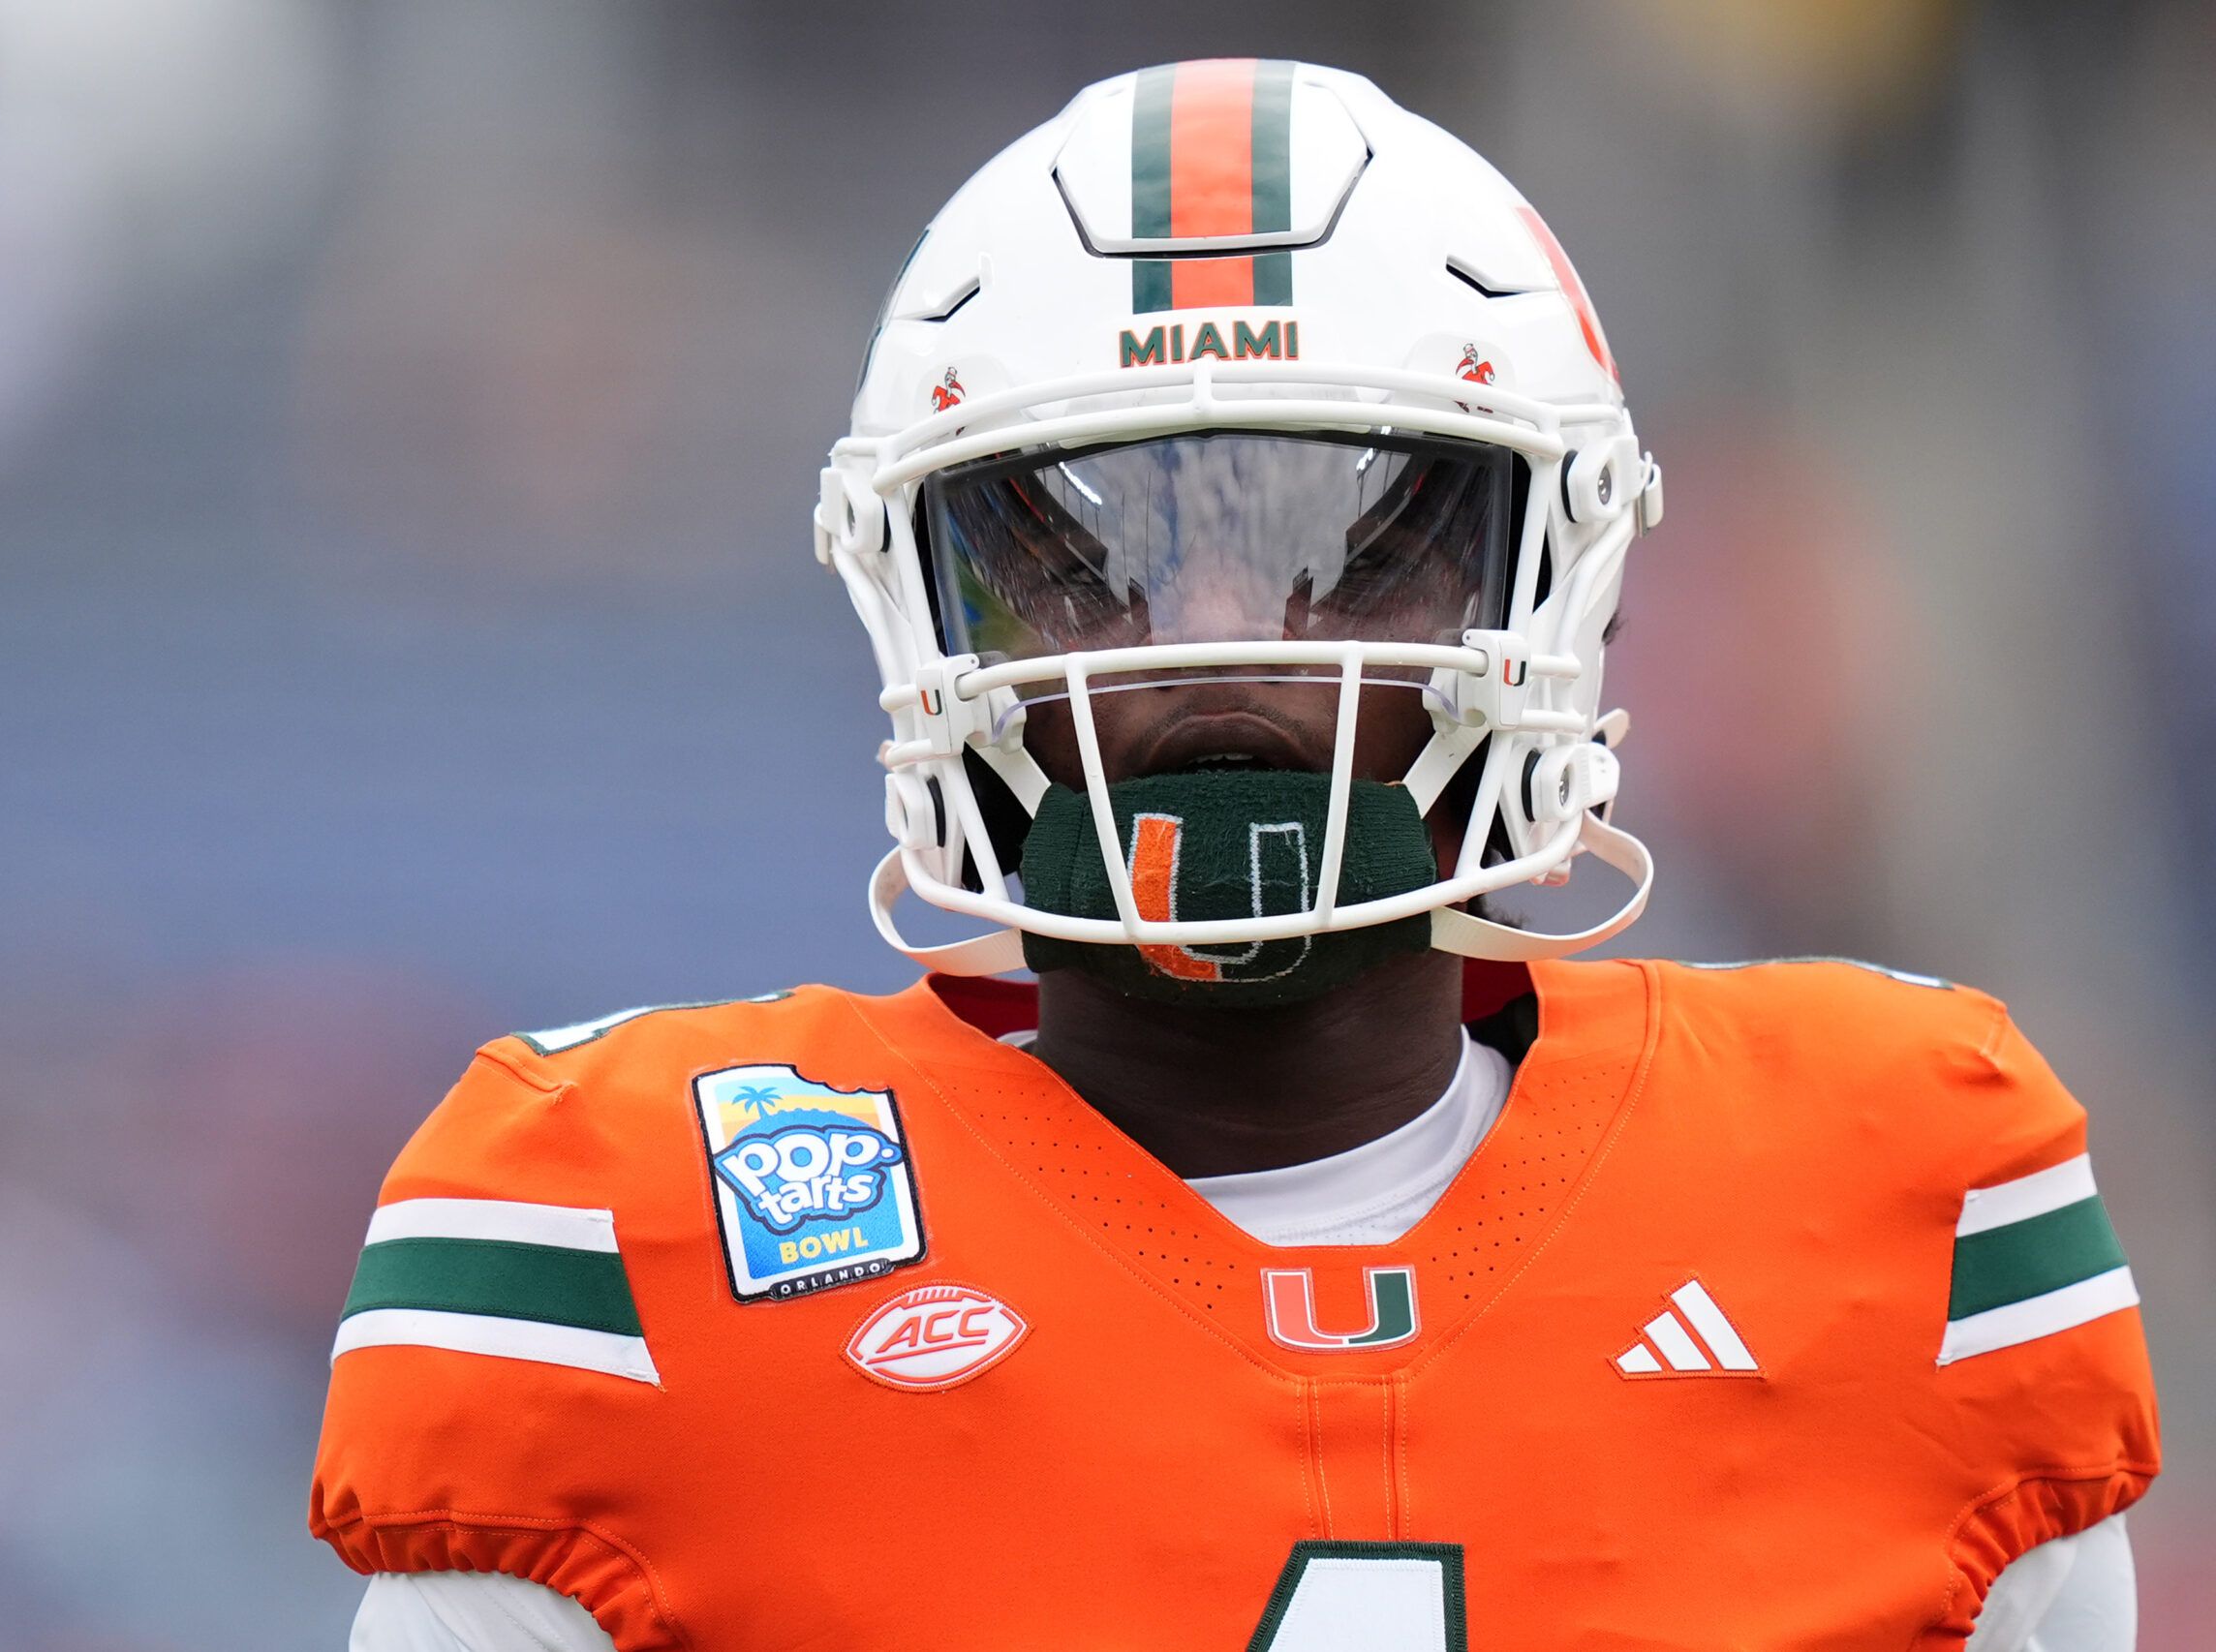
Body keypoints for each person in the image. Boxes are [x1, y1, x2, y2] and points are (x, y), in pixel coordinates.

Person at [312, 60, 2157, 1651]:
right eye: (1077, 549)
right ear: (921, 602)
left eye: (1348, 533)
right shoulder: (620, 1236)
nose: (1210, 635)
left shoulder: (1900, 1193)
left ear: (1555, 575)